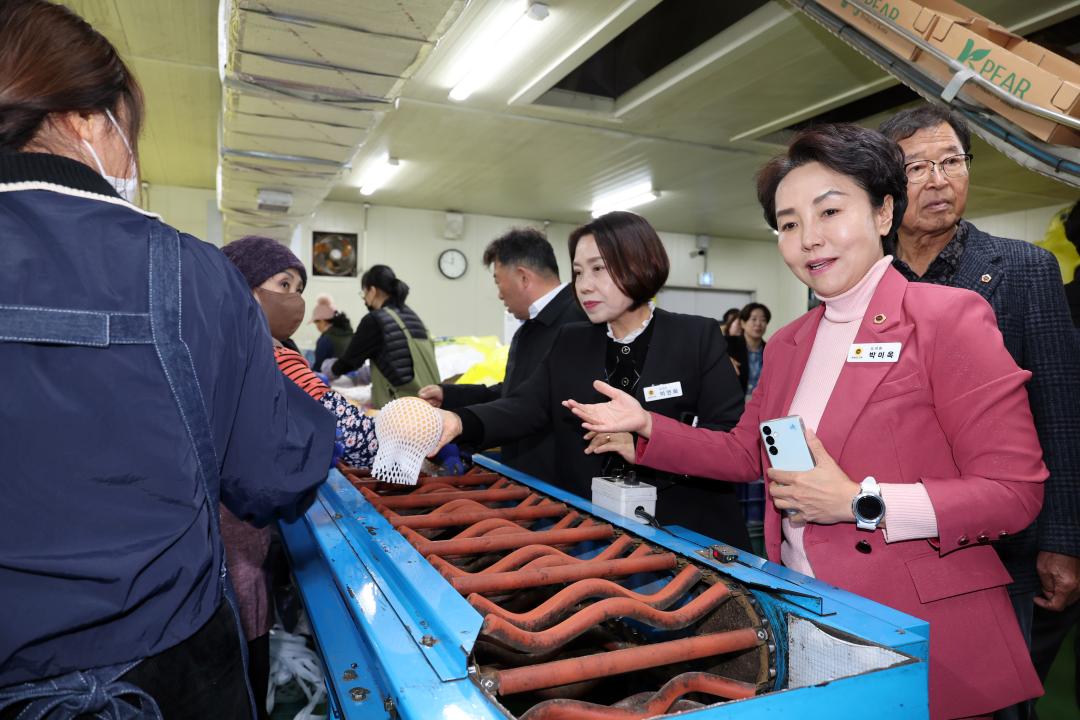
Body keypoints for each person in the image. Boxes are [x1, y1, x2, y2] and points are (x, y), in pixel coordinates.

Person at [562, 124, 1046, 719]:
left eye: (830, 211)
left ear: (883, 211)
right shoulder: (792, 343)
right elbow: (748, 455)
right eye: (789, 225)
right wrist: (648, 432)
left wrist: (861, 502)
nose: (809, 239)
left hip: (919, 632)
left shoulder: (945, 318)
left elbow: (1013, 494)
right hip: (810, 615)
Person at [0, 2, 334, 718]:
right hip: (161, 670)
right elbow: (270, 474)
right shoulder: (187, 273)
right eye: (129, 132)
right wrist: (338, 424)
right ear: (87, 119)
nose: (132, 160)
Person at [879, 106, 1080, 718]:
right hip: (892, 534)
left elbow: (1062, 413)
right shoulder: (864, 276)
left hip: (1001, 542)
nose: (940, 180)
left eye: (952, 162)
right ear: (885, 186)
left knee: (994, 700)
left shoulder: (1024, 269)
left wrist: (1065, 541)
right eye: (918, 166)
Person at [432, 212, 751, 549]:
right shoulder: (572, 341)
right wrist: (457, 420)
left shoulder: (695, 337)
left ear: (639, 263)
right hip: (597, 536)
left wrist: (644, 443)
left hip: (688, 538)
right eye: (579, 272)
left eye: (598, 269)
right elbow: (523, 407)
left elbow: (729, 446)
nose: (584, 285)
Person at [220, 236, 378, 718]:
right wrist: (412, 426)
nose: (296, 300)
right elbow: (355, 436)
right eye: (283, 284)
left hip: (219, 532)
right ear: (243, 289)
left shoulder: (217, 348)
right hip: (238, 536)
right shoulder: (270, 354)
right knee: (244, 655)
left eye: (300, 287)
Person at [418, 227, 586, 479]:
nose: (498, 294)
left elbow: (531, 407)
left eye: (498, 280)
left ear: (523, 277)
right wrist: (450, 396)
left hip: (561, 485)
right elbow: (513, 393)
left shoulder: (576, 324)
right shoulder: (532, 327)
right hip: (527, 476)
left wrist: (462, 422)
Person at [330, 264, 439, 408]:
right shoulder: (412, 316)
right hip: (432, 404)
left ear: (372, 291)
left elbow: (349, 362)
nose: (364, 299)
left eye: (364, 293)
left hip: (402, 410)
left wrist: (328, 373)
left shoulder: (374, 320)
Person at [725, 302, 771, 396]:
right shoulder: (727, 344)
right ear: (742, 323)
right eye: (753, 319)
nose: (758, 324)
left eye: (763, 320)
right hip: (734, 402)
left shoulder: (770, 349)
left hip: (761, 403)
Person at [310, 294, 354, 371]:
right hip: (352, 380)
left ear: (323, 320)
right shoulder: (350, 335)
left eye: (316, 322)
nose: (316, 326)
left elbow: (318, 368)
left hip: (331, 381)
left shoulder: (325, 340)